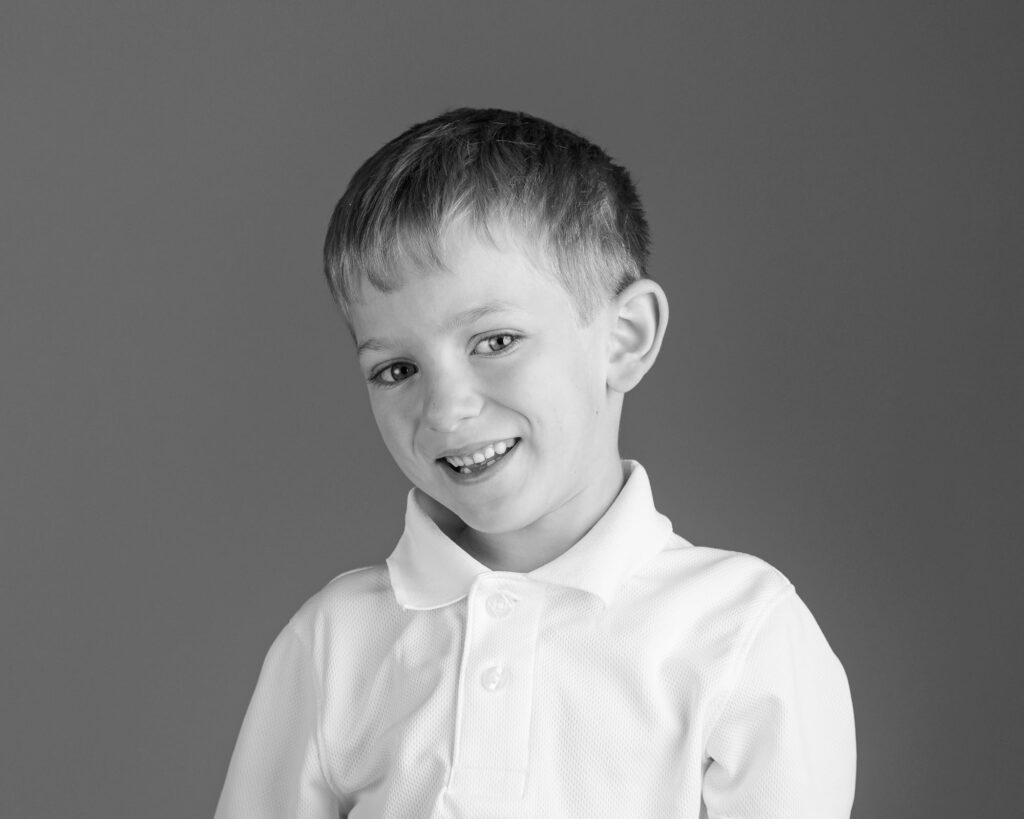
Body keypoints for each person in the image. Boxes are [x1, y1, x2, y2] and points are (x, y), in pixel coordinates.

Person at [214, 108, 856, 818]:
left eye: (495, 340)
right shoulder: (333, 641)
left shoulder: (739, 629)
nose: (445, 409)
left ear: (624, 339)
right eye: (397, 368)